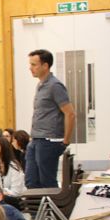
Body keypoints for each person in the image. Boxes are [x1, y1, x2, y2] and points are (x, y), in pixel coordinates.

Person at [26, 49, 75, 189]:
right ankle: (37, 211)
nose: (31, 68)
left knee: (46, 181)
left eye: (34, 64)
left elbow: (70, 113)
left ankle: (53, 210)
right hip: (36, 139)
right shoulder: (41, 85)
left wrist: (66, 140)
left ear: (45, 66)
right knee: (31, 181)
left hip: (48, 141)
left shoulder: (55, 86)